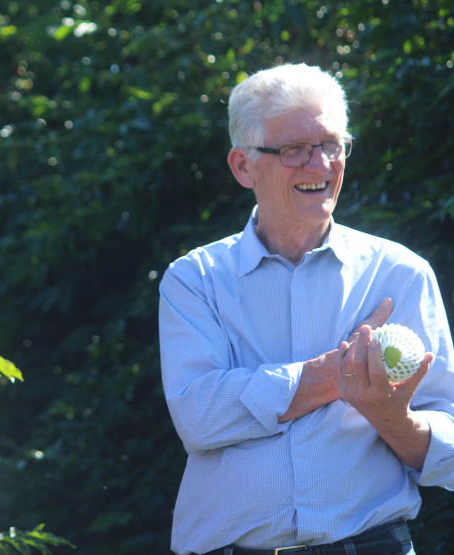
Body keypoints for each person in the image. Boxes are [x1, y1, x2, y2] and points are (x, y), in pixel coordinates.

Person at [159, 63, 454, 555]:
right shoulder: (196, 280)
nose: (320, 166)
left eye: (332, 145)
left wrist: (392, 418)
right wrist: (334, 375)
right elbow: (198, 417)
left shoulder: (401, 274)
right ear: (243, 166)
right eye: (294, 150)